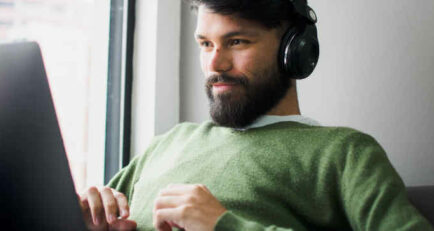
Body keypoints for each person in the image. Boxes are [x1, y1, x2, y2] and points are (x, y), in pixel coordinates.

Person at [78, 0, 434, 230]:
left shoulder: (344, 153)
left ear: (294, 51)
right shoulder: (166, 144)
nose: (215, 64)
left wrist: (224, 226)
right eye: (206, 44)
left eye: (236, 42)